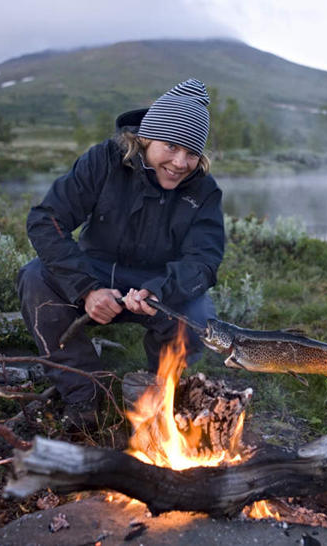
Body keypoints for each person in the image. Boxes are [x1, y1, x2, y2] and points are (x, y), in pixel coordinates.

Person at [17, 79, 224, 419]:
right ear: (145, 138)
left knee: (200, 313)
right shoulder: (104, 161)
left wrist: (158, 291)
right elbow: (46, 219)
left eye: (191, 153)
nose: (180, 163)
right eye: (171, 146)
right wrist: (87, 290)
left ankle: (162, 394)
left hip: (156, 286)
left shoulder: (203, 191)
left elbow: (204, 261)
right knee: (35, 277)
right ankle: (85, 393)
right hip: (94, 274)